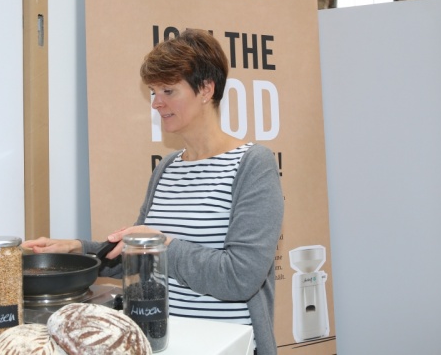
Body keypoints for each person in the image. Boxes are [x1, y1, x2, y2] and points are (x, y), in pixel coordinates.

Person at [22, 29, 284, 354]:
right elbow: (139, 257)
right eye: (153, 92)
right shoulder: (168, 167)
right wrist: (78, 251)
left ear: (206, 89)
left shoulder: (253, 164)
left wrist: (162, 245)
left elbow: (240, 277)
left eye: (168, 90)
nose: (157, 103)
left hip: (229, 346)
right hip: (161, 343)